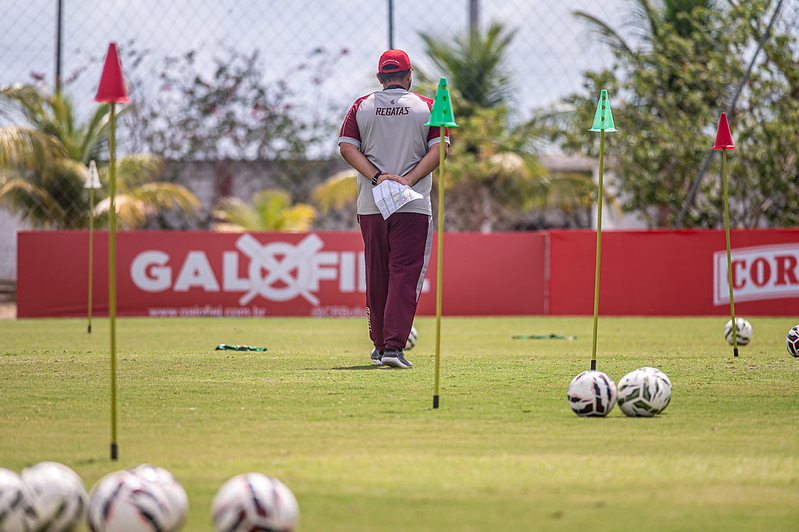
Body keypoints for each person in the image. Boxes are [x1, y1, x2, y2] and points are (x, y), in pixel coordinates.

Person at [338, 49, 449, 369]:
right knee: (405, 274)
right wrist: (408, 180)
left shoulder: (361, 106)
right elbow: (441, 148)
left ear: (379, 77)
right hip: (412, 205)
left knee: (377, 273)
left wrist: (377, 177)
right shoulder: (427, 106)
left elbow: (346, 147)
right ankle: (393, 348)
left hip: (371, 205)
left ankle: (379, 346)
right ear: (409, 75)